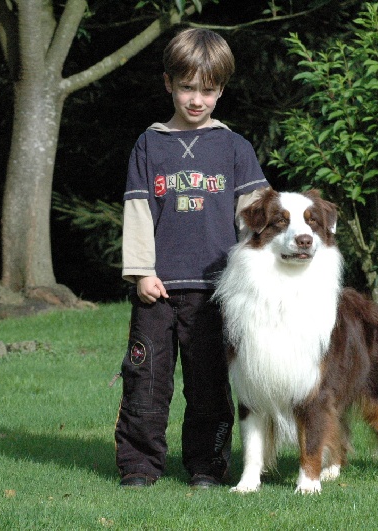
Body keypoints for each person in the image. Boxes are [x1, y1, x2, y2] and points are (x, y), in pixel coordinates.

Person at [114, 28, 269, 489]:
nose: (196, 99)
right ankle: (140, 466)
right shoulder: (150, 144)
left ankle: (206, 466)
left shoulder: (235, 148)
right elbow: (139, 210)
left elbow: (258, 218)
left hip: (217, 294)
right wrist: (141, 271)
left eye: (207, 90)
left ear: (220, 90)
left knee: (208, 388)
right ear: (168, 83)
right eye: (187, 87)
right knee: (145, 381)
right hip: (157, 292)